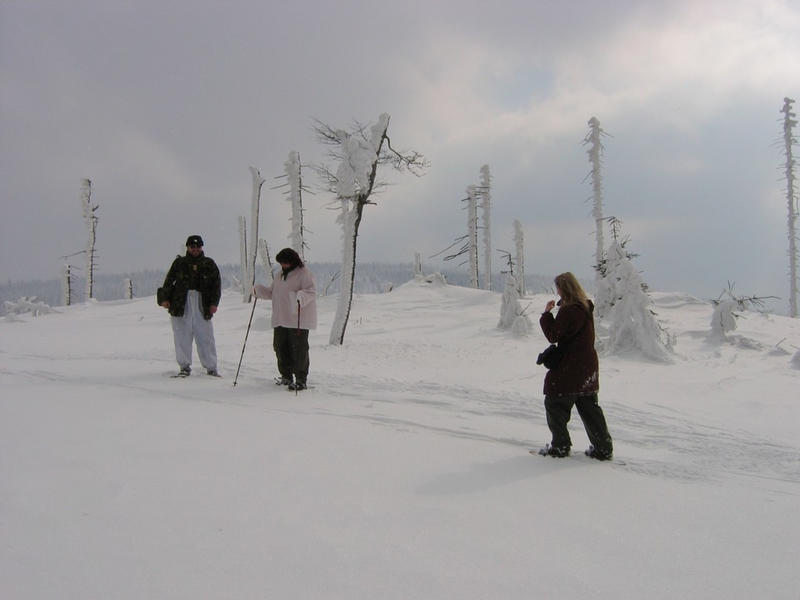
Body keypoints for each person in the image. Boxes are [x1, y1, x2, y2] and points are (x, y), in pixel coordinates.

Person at [538, 272, 613, 460]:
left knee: (555, 402)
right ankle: (603, 448)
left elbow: (554, 335)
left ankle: (560, 446)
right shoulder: (585, 307)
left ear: (564, 288)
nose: (557, 291)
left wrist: (546, 315)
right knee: (589, 407)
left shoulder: (569, 310)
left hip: (570, 367)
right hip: (588, 366)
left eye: (558, 287)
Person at [157, 235, 221, 377]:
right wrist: (164, 299)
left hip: (201, 303)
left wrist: (213, 303)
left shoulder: (209, 264)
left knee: (205, 336)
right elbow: (169, 282)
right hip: (181, 303)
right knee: (182, 336)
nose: (195, 249)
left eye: (198, 247)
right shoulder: (179, 263)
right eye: (192, 247)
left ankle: (211, 367)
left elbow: (216, 285)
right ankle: (184, 367)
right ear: (187, 247)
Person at [253, 248, 317, 391]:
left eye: (286, 262)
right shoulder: (279, 275)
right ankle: (286, 376)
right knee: (280, 348)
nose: (283, 265)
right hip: (280, 318)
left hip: (297, 319)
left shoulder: (304, 273)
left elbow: (311, 292)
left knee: (298, 349)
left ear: (293, 261)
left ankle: (301, 379)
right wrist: (259, 291)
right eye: (281, 263)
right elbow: (272, 293)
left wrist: (300, 297)